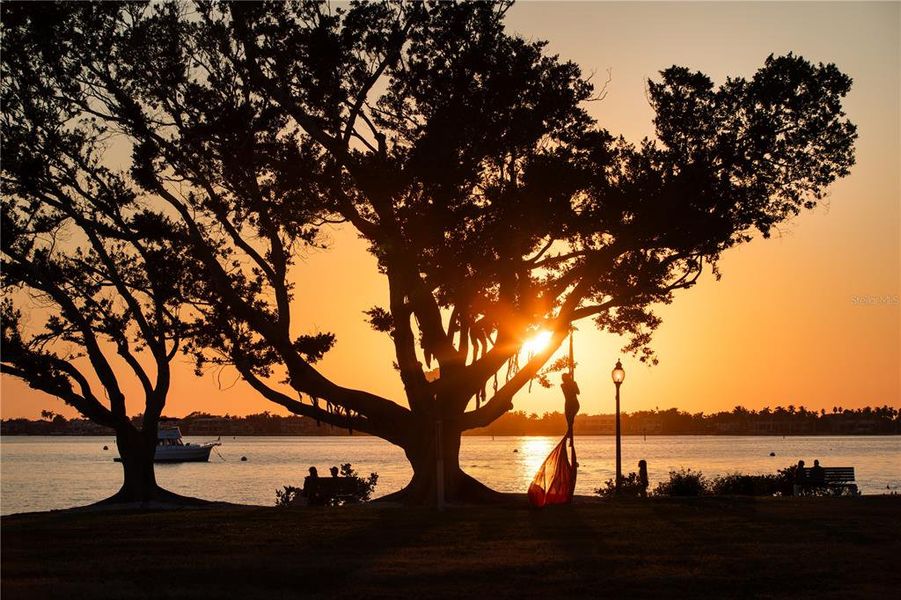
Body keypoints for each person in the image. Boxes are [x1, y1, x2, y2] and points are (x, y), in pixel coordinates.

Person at [561, 372, 580, 445]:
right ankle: (569, 434)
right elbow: (567, 389)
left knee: (571, 419)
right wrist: (572, 382)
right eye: (563, 379)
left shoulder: (573, 383)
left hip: (574, 404)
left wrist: (573, 384)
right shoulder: (563, 385)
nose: (563, 380)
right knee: (569, 421)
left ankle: (570, 436)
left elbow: (578, 392)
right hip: (568, 404)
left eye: (564, 378)